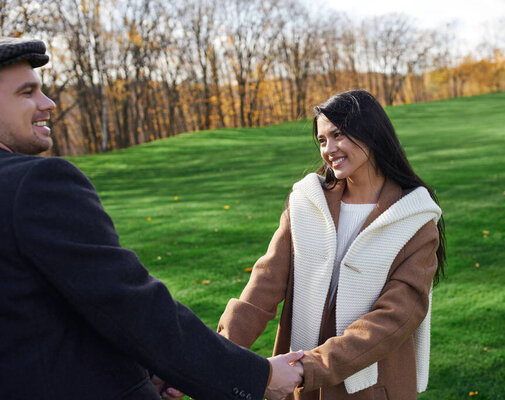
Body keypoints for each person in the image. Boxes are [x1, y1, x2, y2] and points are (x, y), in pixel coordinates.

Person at [0, 36, 303, 400]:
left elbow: (40, 317)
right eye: (27, 92)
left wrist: (146, 370)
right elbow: (129, 304)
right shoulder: (35, 184)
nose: (47, 103)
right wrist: (259, 376)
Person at [218, 89, 447, 400]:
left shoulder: (415, 218)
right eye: (322, 140)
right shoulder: (307, 202)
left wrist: (310, 366)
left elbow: (396, 316)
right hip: (303, 384)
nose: (328, 149)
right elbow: (264, 284)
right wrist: (218, 355)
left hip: (371, 387)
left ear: (370, 132)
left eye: (338, 135)